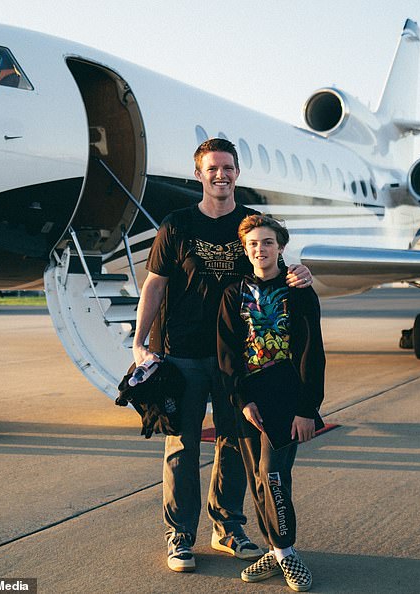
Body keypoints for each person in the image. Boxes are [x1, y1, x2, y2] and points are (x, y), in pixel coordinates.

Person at [132, 138, 314, 573]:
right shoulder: (176, 225)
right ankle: (180, 536)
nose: (221, 175)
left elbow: (274, 260)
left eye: (228, 168)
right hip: (182, 354)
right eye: (212, 168)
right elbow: (154, 285)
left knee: (236, 444)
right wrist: (140, 343)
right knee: (182, 445)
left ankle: (228, 526)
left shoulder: (248, 224)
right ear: (198, 174)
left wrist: (303, 271)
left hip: (238, 358)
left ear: (237, 173)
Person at [217, 214, 325, 591]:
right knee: (257, 481)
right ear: (245, 250)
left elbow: (313, 351)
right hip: (249, 400)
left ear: (280, 247)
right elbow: (227, 352)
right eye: (252, 244)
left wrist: (307, 408)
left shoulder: (298, 290)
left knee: (274, 476)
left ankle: (287, 551)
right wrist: (242, 400)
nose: (259, 249)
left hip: (286, 396)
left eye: (266, 242)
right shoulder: (234, 294)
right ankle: (277, 549)